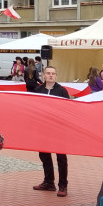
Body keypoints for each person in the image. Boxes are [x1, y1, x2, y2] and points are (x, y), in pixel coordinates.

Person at [32, 66, 71, 197]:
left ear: (56, 76)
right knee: (44, 156)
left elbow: (68, 109)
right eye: (48, 73)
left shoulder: (62, 91)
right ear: (43, 75)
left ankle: (63, 185)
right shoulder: (38, 89)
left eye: (53, 73)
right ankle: (49, 182)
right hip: (43, 128)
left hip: (58, 129)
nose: (50, 75)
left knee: (61, 158)